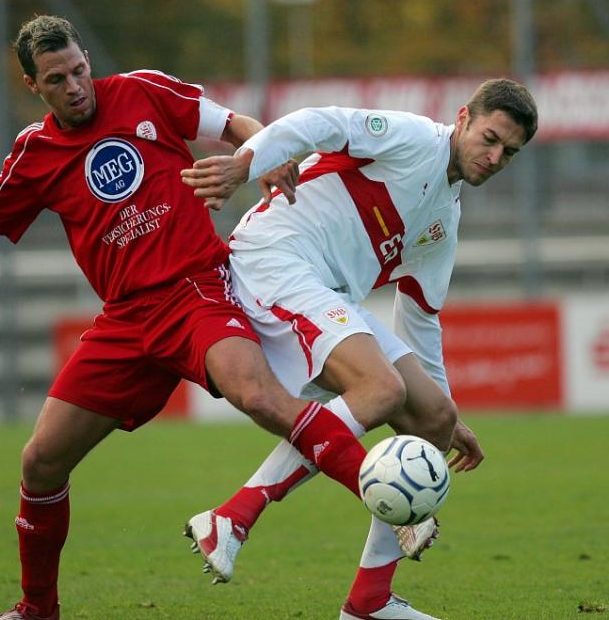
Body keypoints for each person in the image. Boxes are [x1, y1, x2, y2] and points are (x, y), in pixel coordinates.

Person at [0, 14, 433, 620]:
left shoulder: (142, 91)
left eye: (78, 70)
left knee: (258, 395)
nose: (74, 87)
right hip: (126, 320)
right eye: (56, 80)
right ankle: (37, 608)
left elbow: (234, 124)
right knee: (40, 462)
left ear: (88, 61)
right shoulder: (35, 152)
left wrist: (263, 152)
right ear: (32, 85)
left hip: (196, 290)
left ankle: (392, 502)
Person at [181, 78, 538, 619]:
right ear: (464, 117)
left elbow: (420, 318)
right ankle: (234, 516)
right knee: (381, 387)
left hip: (323, 291)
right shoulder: (413, 138)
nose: (494, 158)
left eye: (508, 153)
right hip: (275, 258)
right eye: (490, 139)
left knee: (433, 418)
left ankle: (369, 600)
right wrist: (245, 164)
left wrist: (446, 411)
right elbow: (318, 123)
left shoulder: (445, 219)